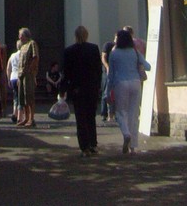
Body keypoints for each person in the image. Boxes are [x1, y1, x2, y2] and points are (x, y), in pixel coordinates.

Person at [106, 28, 150, 154]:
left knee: (121, 113)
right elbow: (148, 66)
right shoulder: (135, 52)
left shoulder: (114, 53)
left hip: (120, 84)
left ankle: (126, 134)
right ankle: (133, 146)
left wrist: (108, 91)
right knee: (134, 115)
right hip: (136, 83)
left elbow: (111, 75)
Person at [61, 25, 102, 157]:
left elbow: (65, 72)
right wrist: (98, 86)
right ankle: (93, 144)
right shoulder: (94, 49)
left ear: (75, 36)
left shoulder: (69, 51)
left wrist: (63, 90)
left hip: (77, 89)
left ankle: (84, 147)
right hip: (91, 88)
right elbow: (98, 70)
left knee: (81, 118)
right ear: (86, 35)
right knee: (91, 117)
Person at [16, 27, 39, 127]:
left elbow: (35, 57)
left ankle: (31, 119)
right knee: (22, 98)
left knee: (29, 97)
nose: (19, 37)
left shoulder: (32, 43)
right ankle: (25, 118)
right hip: (21, 75)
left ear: (25, 35)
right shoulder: (22, 46)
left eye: (20, 35)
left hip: (28, 75)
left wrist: (30, 70)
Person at [100, 35, 116, 122]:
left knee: (113, 93)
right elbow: (103, 57)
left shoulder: (120, 47)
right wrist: (107, 67)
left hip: (116, 72)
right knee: (106, 92)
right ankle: (104, 113)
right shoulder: (108, 45)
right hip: (107, 72)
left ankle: (113, 114)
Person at [6, 39, 22, 122]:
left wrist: (8, 79)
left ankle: (14, 113)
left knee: (15, 97)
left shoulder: (12, 55)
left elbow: (8, 68)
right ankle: (19, 116)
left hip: (13, 77)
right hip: (20, 77)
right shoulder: (23, 55)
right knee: (21, 97)